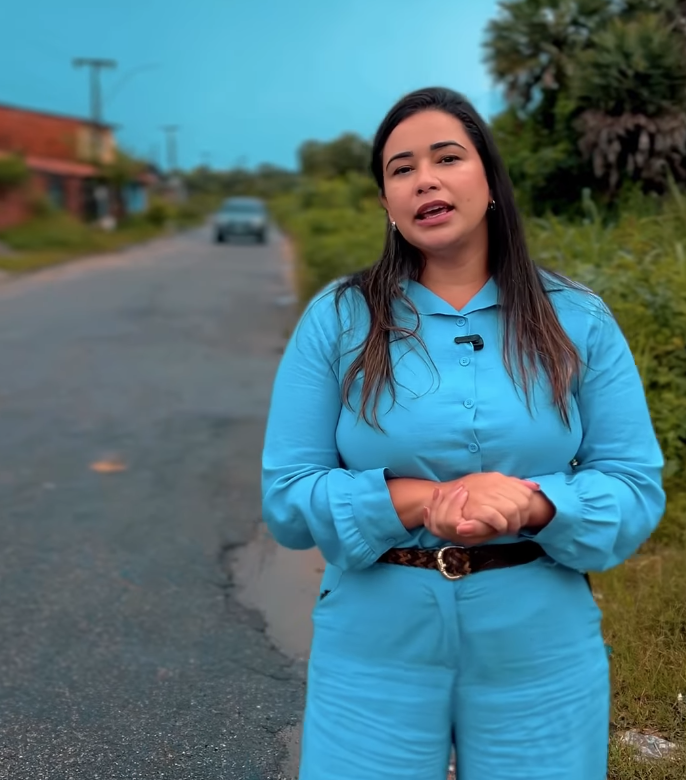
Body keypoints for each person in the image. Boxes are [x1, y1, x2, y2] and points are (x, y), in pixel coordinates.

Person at [261, 86, 665, 780]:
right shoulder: (338, 319)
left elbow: (634, 487)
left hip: (540, 643)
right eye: (400, 168)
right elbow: (288, 497)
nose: (425, 179)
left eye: (447, 157)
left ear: (489, 181)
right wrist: (422, 502)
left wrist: (534, 505)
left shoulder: (579, 319)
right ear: (387, 204)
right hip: (373, 642)